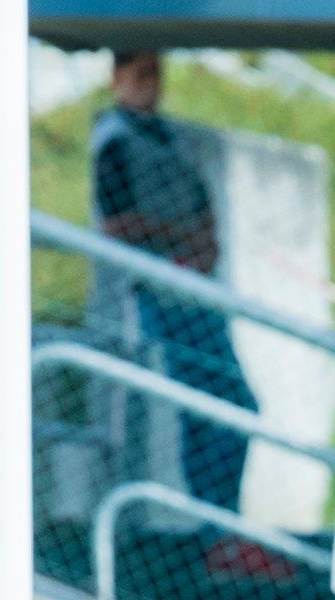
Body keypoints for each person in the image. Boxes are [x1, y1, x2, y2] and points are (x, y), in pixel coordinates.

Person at [91, 49, 260, 512]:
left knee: (233, 406)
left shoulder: (171, 140)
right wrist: (177, 236)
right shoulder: (115, 141)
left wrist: (203, 246)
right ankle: (212, 521)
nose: (152, 84)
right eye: (141, 74)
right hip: (157, 293)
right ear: (118, 79)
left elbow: (205, 213)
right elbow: (115, 223)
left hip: (194, 288)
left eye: (156, 74)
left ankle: (222, 519)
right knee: (205, 407)